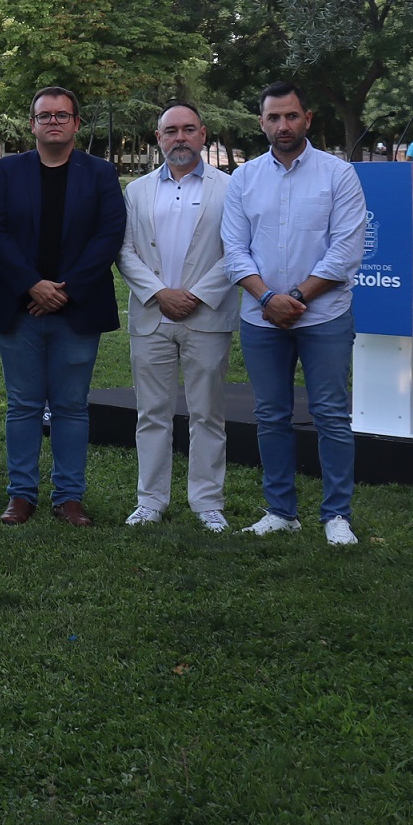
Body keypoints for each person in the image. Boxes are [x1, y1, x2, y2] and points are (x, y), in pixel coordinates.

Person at [220, 81, 368, 545]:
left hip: (325, 316)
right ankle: (281, 511)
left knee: (331, 415)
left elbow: (345, 250)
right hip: (261, 318)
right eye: (273, 117)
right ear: (261, 122)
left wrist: (297, 298)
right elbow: (233, 250)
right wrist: (268, 299)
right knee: (270, 415)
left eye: (290, 116)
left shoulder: (338, 175)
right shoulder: (244, 178)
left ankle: (336, 515)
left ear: (307, 119)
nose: (282, 125)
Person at [0, 86, 127, 528]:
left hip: (77, 308)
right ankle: (21, 495)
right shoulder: (8, 171)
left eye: (62, 115)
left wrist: (65, 290)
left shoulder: (100, 173)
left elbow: (109, 234)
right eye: (45, 116)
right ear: (32, 125)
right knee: (23, 404)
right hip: (18, 307)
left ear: (76, 123)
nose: (54, 122)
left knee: (72, 406)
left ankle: (69, 497)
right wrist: (32, 285)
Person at [115, 102, 237, 531]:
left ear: (203, 134)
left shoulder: (230, 188)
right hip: (152, 316)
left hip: (207, 316)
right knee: (151, 413)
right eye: (171, 131)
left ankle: (207, 503)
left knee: (208, 414)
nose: (180, 138)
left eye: (188, 129)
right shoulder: (136, 191)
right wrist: (159, 294)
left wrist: (197, 295)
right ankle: (150, 501)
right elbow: (124, 251)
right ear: (158, 138)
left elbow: (236, 251)